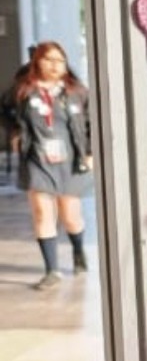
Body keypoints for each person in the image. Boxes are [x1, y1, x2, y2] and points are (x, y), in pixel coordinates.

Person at [12, 43, 94, 289]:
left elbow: (92, 123)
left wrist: (90, 152)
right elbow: (6, 112)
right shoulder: (24, 91)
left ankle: (78, 250)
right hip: (37, 160)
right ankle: (52, 270)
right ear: (37, 61)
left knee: (70, 217)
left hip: (71, 161)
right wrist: (15, 134)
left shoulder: (77, 92)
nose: (55, 65)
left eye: (60, 60)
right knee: (42, 213)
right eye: (48, 59)